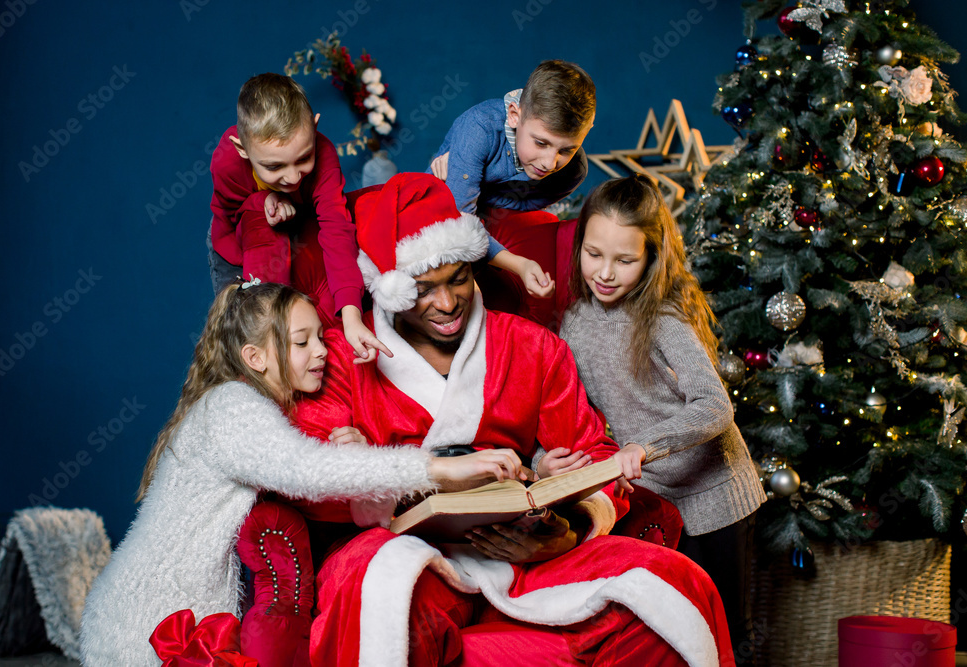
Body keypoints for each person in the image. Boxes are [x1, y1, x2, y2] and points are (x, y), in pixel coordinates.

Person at [291, 173, 734, 666]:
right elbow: (308, 473)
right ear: (389, 289)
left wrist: (567, 529)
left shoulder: (531, 345)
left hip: (526, 553)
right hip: (410, 549)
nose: (446, 303)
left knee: (673, 584)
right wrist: (376, 471)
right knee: (382, 590)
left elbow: (595, 451)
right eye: (423, 289)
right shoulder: (340, 357)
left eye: (458, 278)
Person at [78, 280, 522, 666]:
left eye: (320, 338)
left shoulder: (248, 407)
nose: (323, 351)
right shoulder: (231, 407)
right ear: (254, 357)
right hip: (143, 622)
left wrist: (352, 458)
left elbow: (306, 468)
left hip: (166, 613)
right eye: (302, 341)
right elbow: (306, 470)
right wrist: (443, 469)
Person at [557, 175, 766, 665]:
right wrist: (552, 459)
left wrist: (644, 447)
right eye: (594, 254)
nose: (605, 273)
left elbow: (715, 405)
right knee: (665, 635)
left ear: (651, 257)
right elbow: (572, 407)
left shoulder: (664, 316)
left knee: (723, 637)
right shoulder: (574, 322)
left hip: (716, 501)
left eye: (625, 260)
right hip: (652, 506)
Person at [206, 72, 391, 364]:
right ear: (243, 149)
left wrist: (353, 317)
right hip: (237, 245)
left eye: (304, 158)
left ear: (314, 129)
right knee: (247, 339)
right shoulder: (227, 160)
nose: (292, 177)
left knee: (324, 325)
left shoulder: (325, 153)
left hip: (304, 234)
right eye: (274, 166)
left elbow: (337, 232)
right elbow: (228, 215)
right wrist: (262, 199)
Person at [426, 60, 595, 327]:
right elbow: (460, 226)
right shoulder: (478, 129)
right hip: (434, 223)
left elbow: (515, 204)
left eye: (566, 150)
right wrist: (519, 265)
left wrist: (479, 194)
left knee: (498, 312)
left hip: (483, 225)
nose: (549, 163)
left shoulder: (572, 171)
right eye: (541, 143)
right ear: (514, 115)